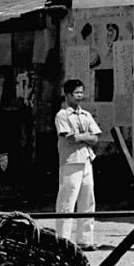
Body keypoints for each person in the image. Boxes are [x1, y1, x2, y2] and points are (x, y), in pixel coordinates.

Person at [54, 78, 101, 250]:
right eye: (76, 93)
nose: (79, 96)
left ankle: (85, 239)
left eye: (81, 92)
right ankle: (63, 240)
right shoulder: (62, 115)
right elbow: (69, 137)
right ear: (67, 95)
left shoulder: (86, 115)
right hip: (71, 161)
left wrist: (82, 137)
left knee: (88, 200)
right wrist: (85, 137)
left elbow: (96, 138)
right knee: (67, 200)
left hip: (87, 159)